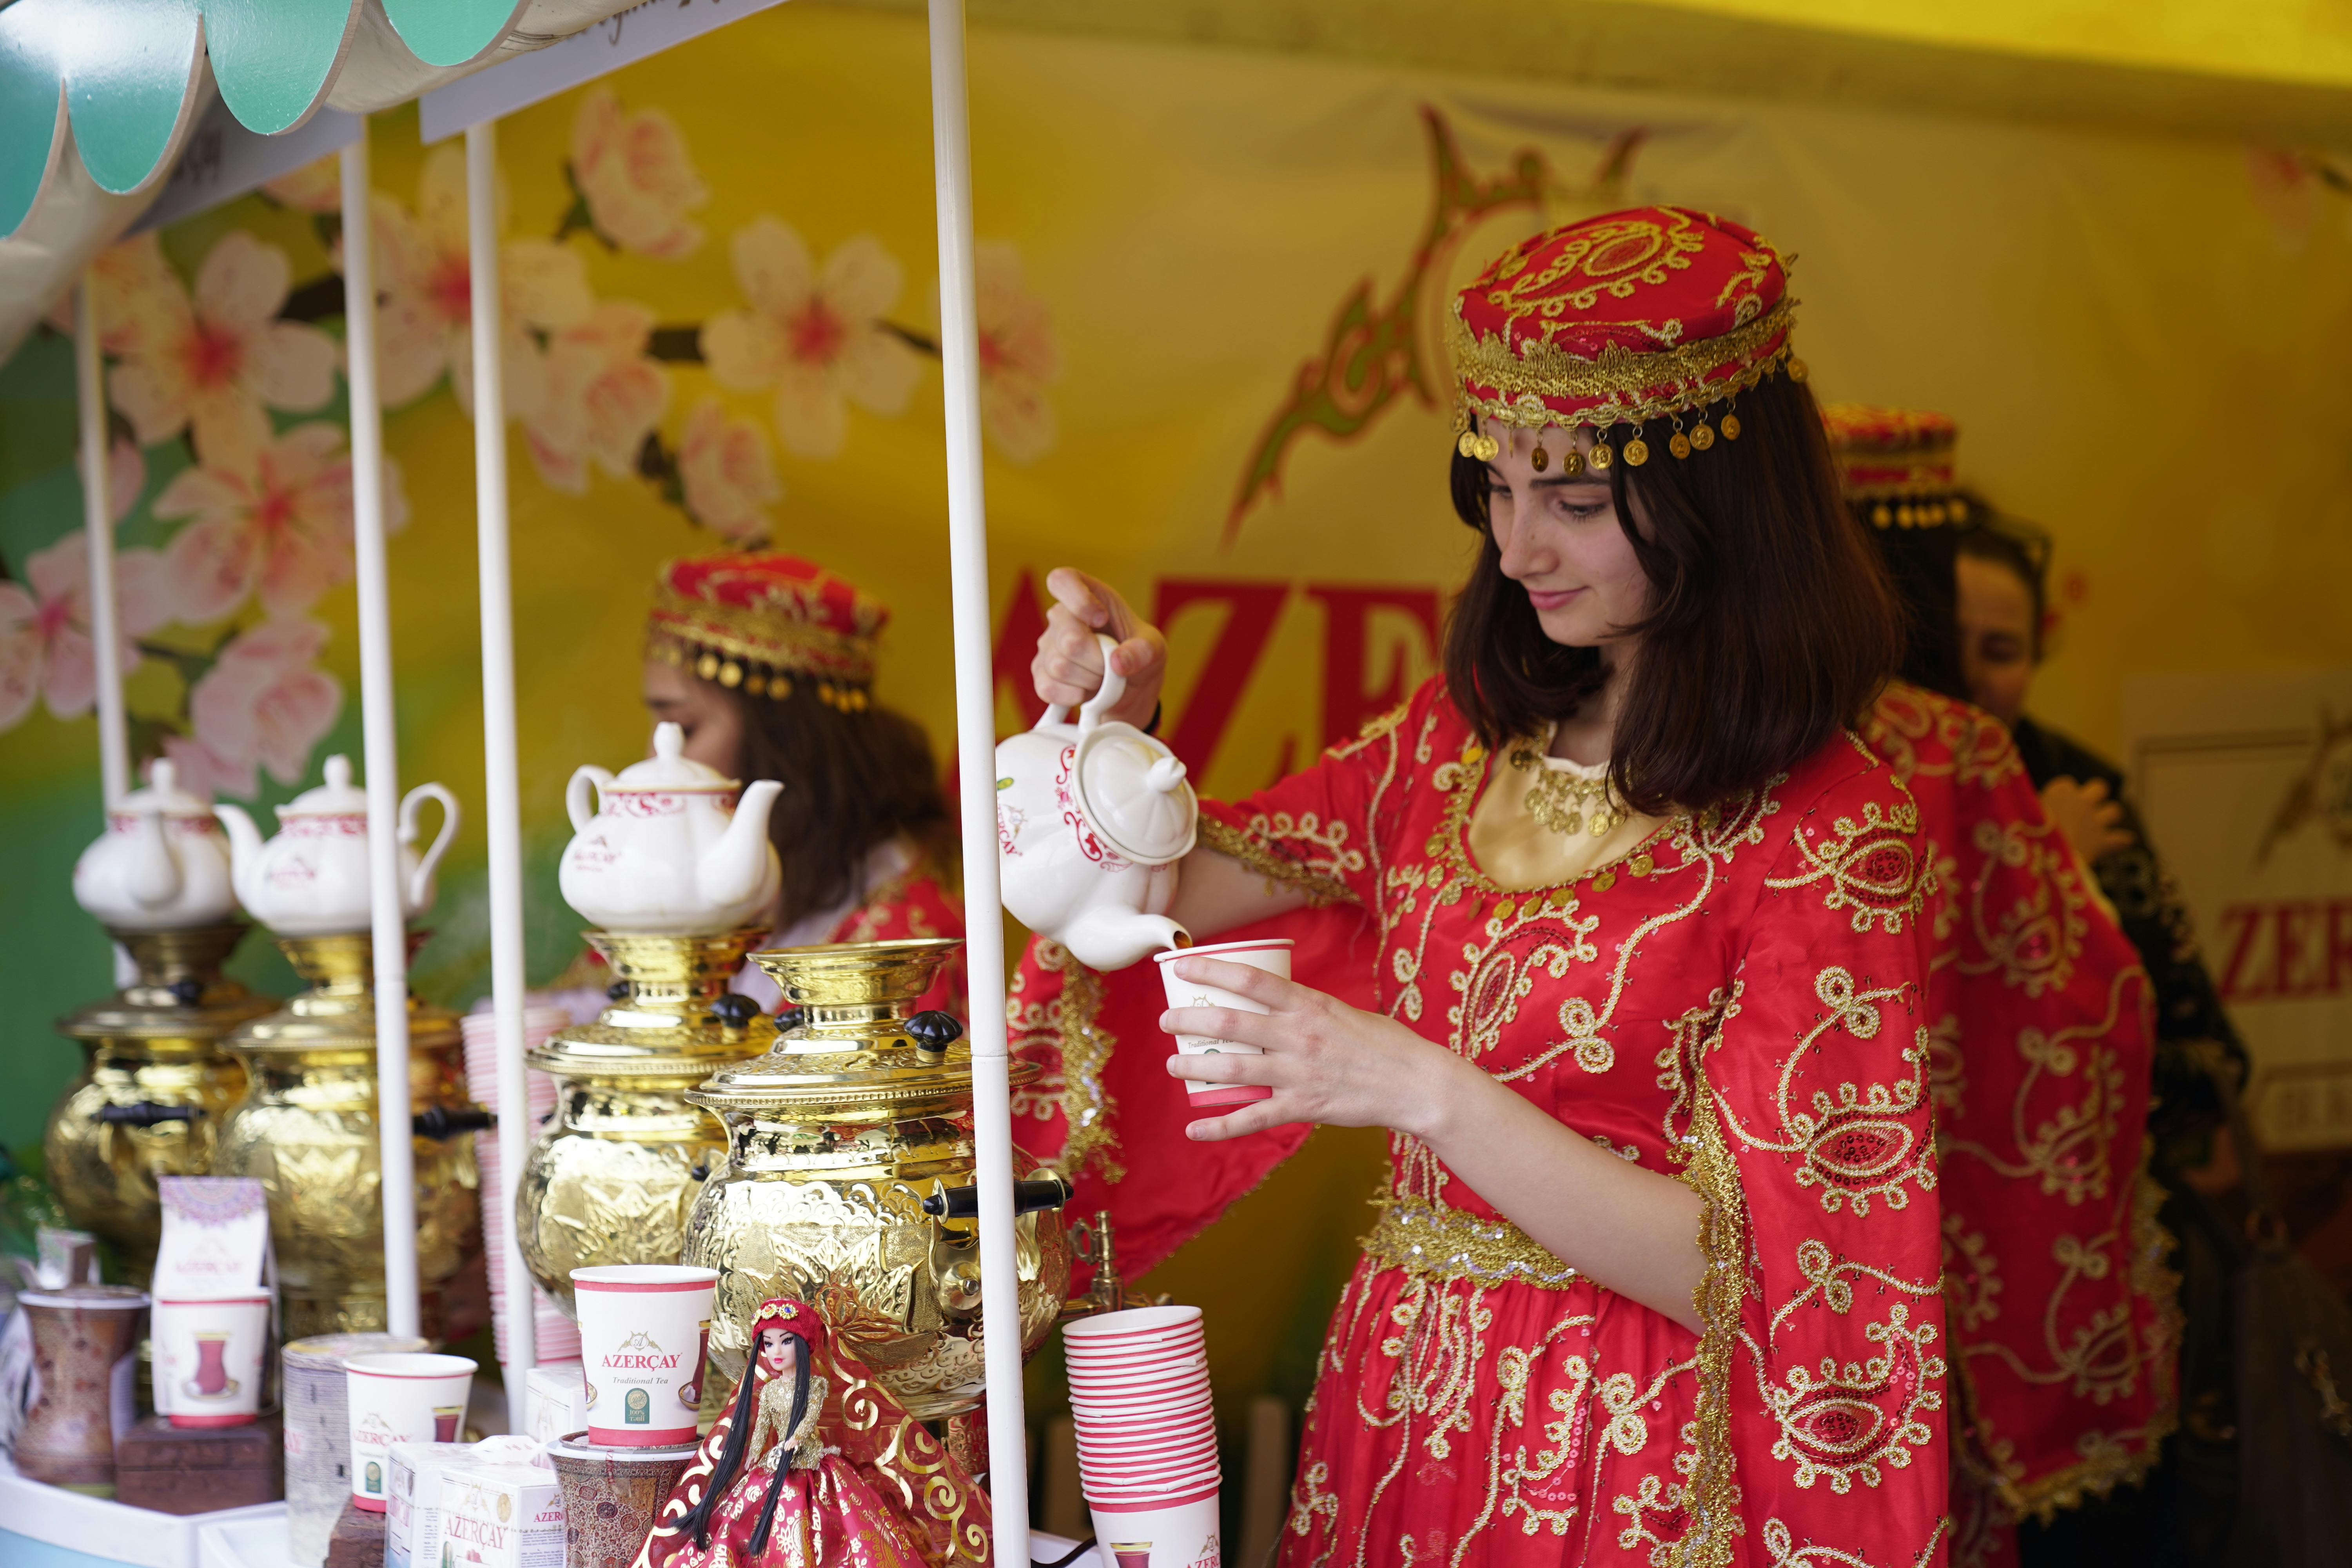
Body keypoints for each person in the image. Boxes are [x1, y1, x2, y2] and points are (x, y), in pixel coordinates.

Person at [1020, 208, 1950, 1565]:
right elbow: (1165, 893)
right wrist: (1115, 741)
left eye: (1573, 502)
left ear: (1721, 505)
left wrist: (1422, 1088)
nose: (1519, 550)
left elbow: (1764, 1275)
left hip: (1628, 1455)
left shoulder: (1826, 829)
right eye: (1498, 488)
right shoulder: (1449, 750)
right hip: (1401, 1407)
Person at [1824, 406, 2177, 1568]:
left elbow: (2104, 1007)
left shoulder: (1975, 764)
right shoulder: (1948, 757)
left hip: (1832, 1246)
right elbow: (2078, 1015)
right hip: (1878, 1255)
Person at [1952, 517, 2250, 1568]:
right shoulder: (1880, 792)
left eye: (2006, 651)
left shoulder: (2084, 795)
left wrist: (2051, 877)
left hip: (2094, 1292)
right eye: (1954, 647)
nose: (1978, 680)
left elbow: (2208, 1050)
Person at [637, 550, 965, 1016]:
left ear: (786, 746)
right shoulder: (690, 887)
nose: (655, 758)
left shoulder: (903, 942)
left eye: (684, 729)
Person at [633, 1296, 990, 1568]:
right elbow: (760, 1429)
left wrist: (794, 1441)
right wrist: (755, 1459)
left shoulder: (815, 1386)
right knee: (745, 1520)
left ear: (802, 1346)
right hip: (775, 1467)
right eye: (768, 1343)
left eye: (785, 1342)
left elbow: (808, 1419)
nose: (775, 1352)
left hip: (814, 1466)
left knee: (840, 1523)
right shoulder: (770, 1390)